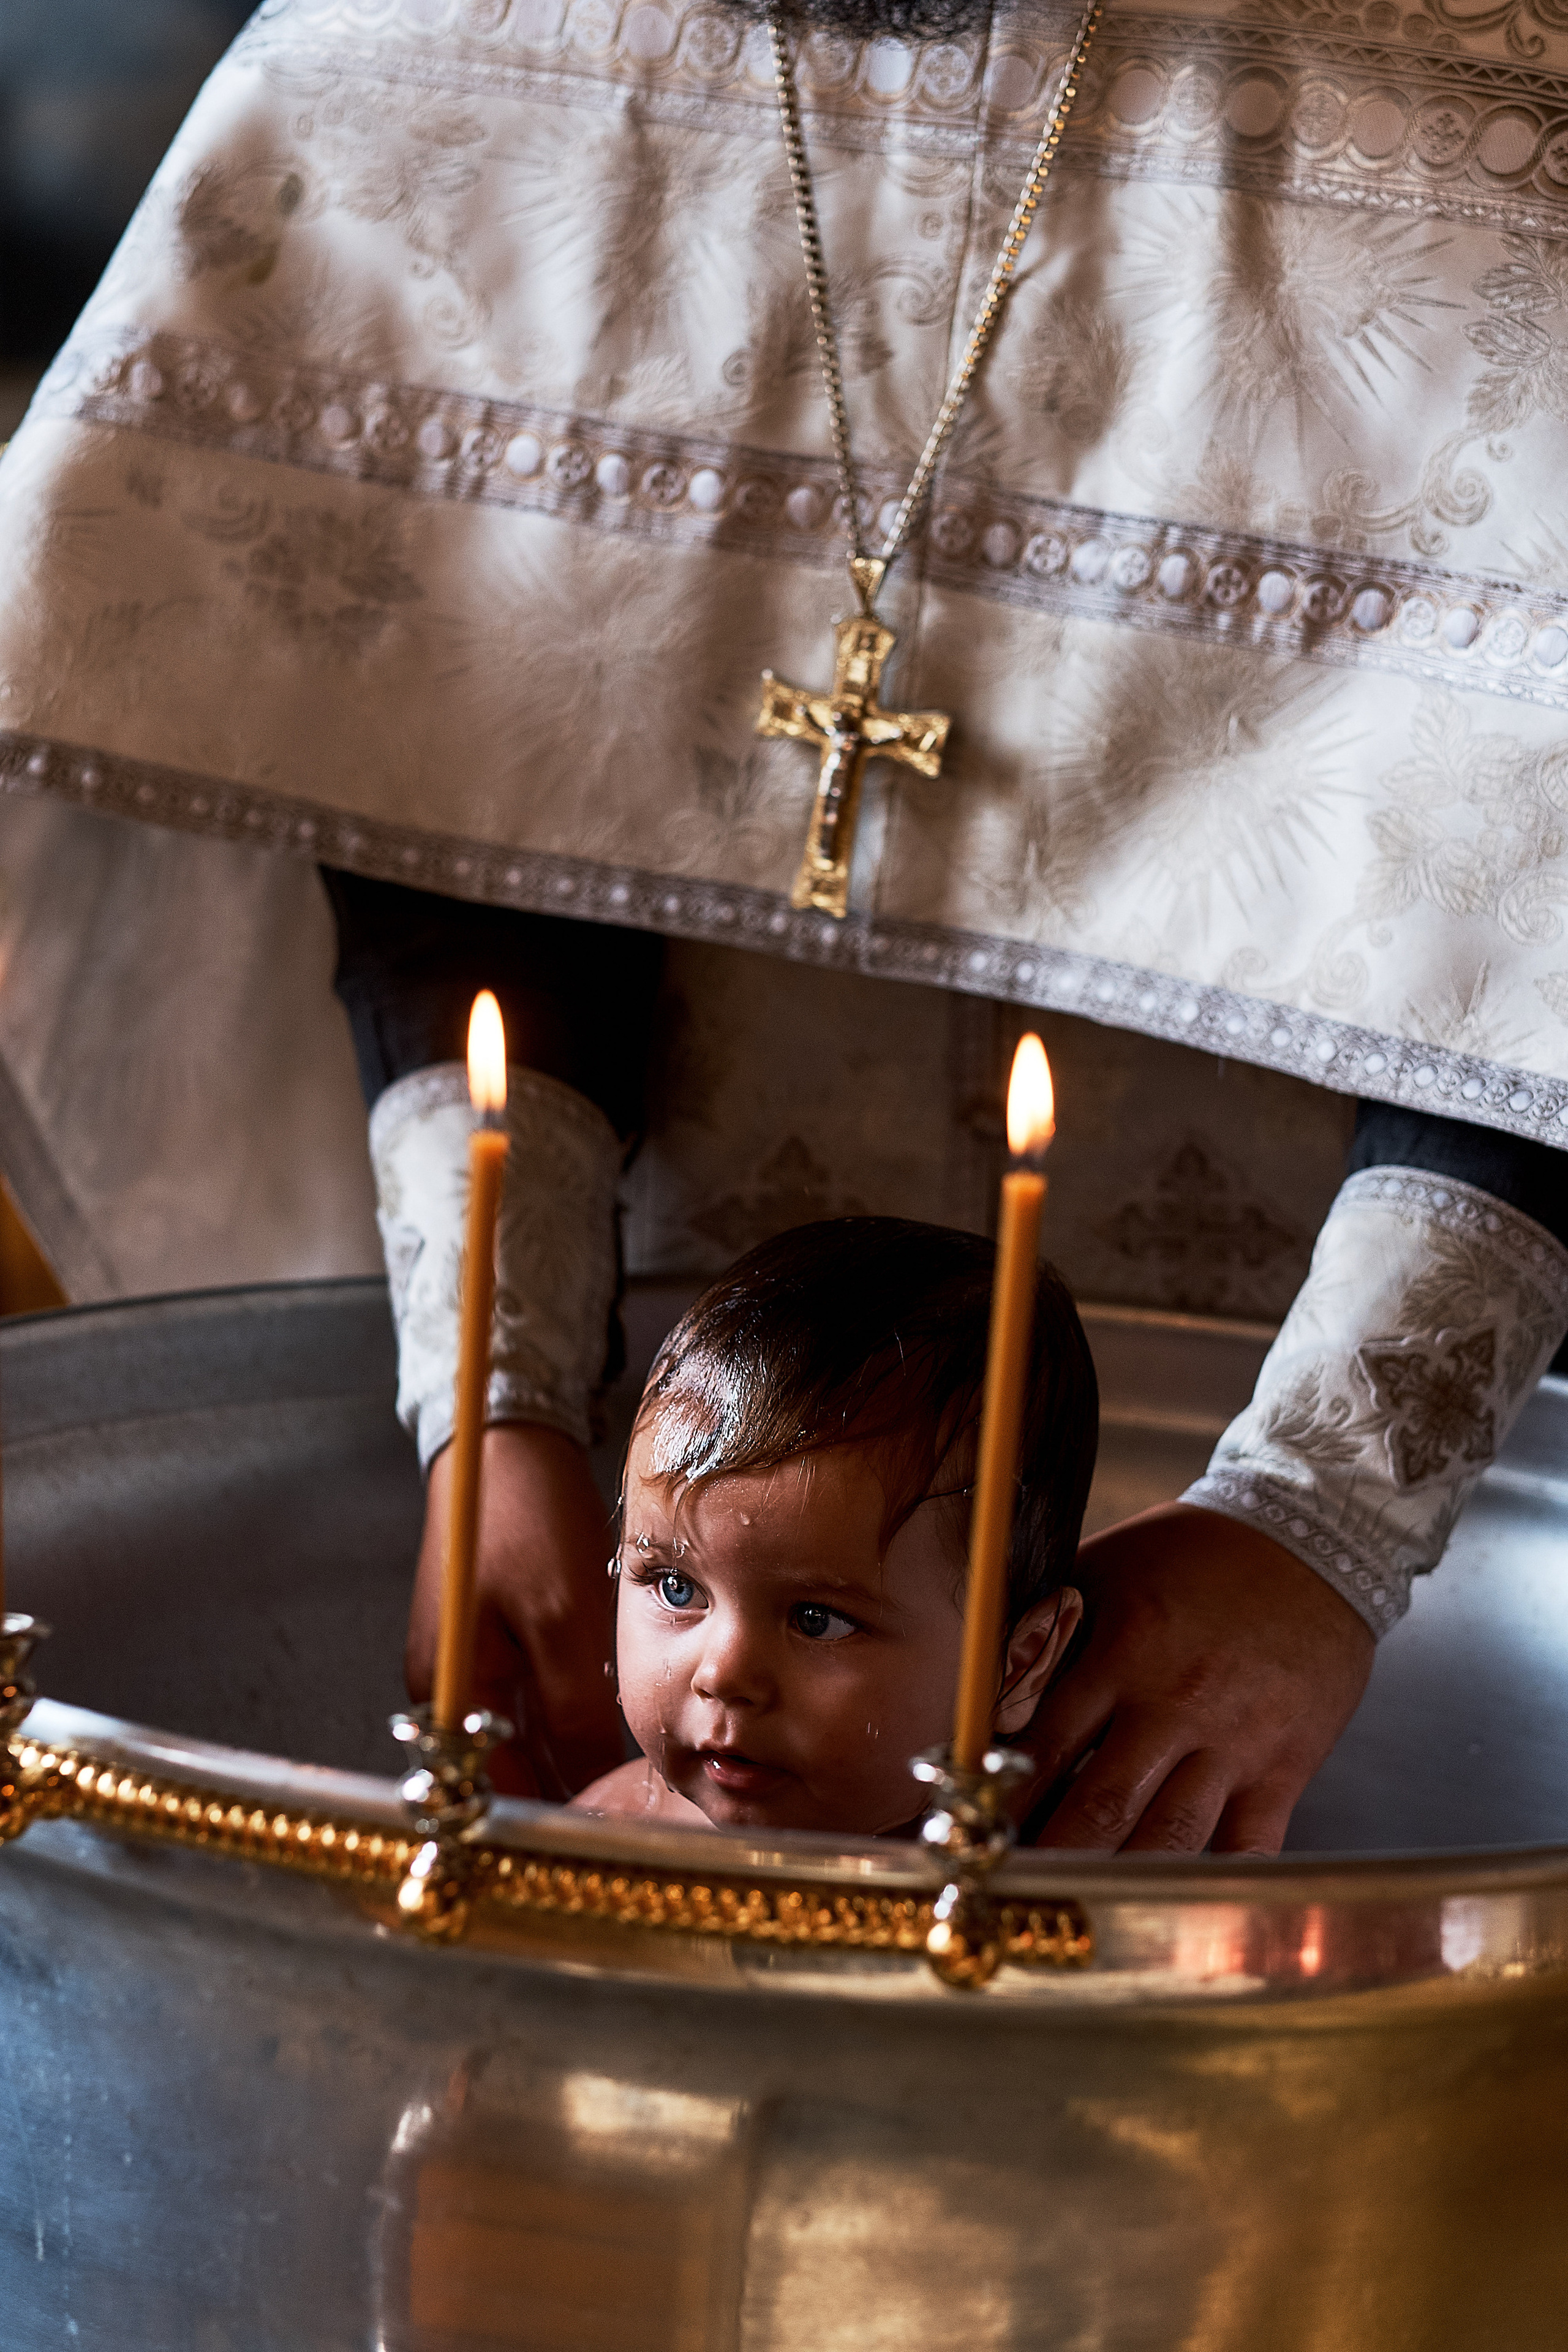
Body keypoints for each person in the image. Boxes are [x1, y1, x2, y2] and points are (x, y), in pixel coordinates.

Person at [2, 0, 1567, 1849]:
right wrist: (499, 1396)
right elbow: (408, 698)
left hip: (1305, 1292)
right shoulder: (429, 32)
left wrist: (1323, 1515)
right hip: (658, 1289)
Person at [573, 1216, 1098, 1836]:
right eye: (676, 1587)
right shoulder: (611, 1833)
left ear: (1018, 1663)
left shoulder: (1038, 1885)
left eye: (816, 1620)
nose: (722, 1675)